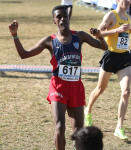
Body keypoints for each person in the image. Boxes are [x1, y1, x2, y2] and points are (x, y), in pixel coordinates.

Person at [9, 5, 108, 150]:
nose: (63, 19)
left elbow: (104, 47)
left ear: (69, 18)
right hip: (58, 87)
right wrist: (14, 35)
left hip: (75, 87)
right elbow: (24, 54)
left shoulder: (79, 36)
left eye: (65, 16)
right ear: (54, 21)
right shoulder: (49, 41)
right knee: (60, 127)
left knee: (79, 131)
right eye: (59, 17)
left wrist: (99, 35)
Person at [84, 0, 131, 140]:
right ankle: (88, 110)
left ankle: (119, 127)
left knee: (126, 92)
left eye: (129, 0)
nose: (127, 2)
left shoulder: (127, 16)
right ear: (117, 1)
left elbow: (122, 37)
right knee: (100, 89)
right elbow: (98, 33)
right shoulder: (111, 15)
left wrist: (130, 31)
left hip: (124, 58)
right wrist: (117, 29)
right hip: (110, 56)